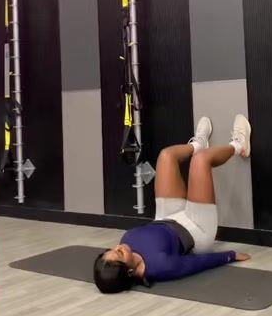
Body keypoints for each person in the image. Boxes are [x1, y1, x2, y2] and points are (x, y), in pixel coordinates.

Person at [93, 116, 252, 294]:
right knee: (201, 161)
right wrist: (230, 256)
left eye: (112, 249)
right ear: (130, 272)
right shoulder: (160, 267)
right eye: (120, 253)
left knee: (166, 156)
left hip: (166, 217)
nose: (118, 247)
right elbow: (196, 264)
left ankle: (198, 144)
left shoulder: (126, 243)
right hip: (195, 229)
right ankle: (239, 146)